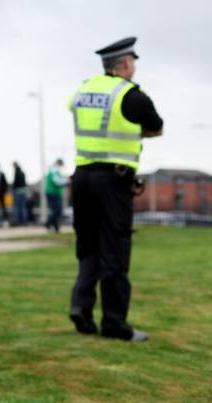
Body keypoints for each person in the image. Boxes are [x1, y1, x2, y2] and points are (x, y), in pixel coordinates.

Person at [68, 37, 163, 342]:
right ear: (123, 64)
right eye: (132, 62)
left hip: (82, 177)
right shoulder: (130, 95)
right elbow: (156, 126)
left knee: (88, 248)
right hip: (113, 180)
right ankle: (114, 323)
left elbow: (72, 107)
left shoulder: (82, 90)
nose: (133, 67)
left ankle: (81, 306)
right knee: (115, 249)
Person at [44, 159, 69, 232]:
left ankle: (55, 227)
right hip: (53, 192)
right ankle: (48, 223)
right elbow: (57, 181)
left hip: (54, 193)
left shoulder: (54, 170)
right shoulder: (54, 170)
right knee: (57, 209)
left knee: (55, 210)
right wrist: (67, 181)